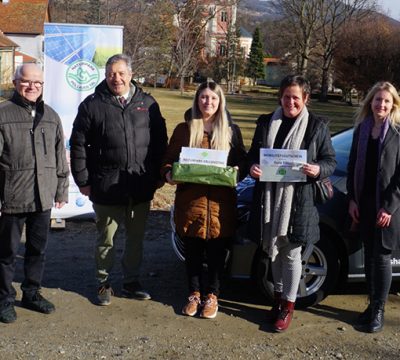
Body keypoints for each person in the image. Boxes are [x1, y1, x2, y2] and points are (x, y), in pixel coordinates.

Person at [70, 54, 167, 306]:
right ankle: (103, 282)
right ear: (105, 76)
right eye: (112, 73)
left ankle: (131, 281)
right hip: (106, 187)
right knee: (106, 239)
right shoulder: (92, 105)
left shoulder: (147, 103)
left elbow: (160, 143)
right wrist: (83, 179)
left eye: (122, 73)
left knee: (135, 239)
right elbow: (78, 144)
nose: (117, 78)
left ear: (131, 74)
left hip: (140, 186)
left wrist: (157, 176)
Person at [247, 75, 336, 332]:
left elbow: (330, 161)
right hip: (268, 198)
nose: (290, 102)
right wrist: (252, 166)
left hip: (299, 201)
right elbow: (254, 156)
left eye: (296, 97)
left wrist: (317, 169)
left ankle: (288, 306)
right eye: (286, 97)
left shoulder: (317, 127)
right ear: (280, 97)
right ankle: (276, 301)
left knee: (291, 256)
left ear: (305, 98)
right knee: (273, 252)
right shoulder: (266, 123)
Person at [161, 81, 246, 319]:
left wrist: (238, 170)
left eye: (213, 98)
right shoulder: (184, 129)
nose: (208, 102)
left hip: (221, 206)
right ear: (197, 100)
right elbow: (168, 160)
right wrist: (168, 173)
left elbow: (243, 162)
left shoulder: (231, 131)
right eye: (204, 97)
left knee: (218, 253)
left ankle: (213, 296)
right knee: (194, 252)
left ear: (220, 102)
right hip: (191, 203)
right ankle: (194, 293)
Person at [0, 64, 69, 324]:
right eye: (26, 82)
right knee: (6, 253)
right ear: (16, 82)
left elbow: (60, 156)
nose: (32, 87)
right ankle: (4, 298)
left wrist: (61, 188)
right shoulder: (3, 114)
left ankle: (32, 292)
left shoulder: (51, 116)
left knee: (37, 250)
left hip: (43, 197)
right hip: (11, 198)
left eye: (37, 83)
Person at [347, 81, 400, 333]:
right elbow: (351, 167)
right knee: (368, 257)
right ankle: (370, 305)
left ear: (393, 105)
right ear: (370, 102)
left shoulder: (398, 134)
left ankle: (379, 309)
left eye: (386, 101)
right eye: (377, 100)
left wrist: (388, 207)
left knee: (381, 258)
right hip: (364, 203)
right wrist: (352, 200)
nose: (381, 104)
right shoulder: (362, 130)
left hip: (387, 208)